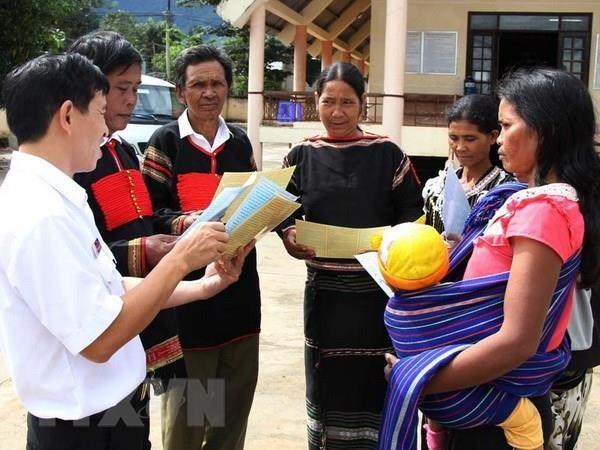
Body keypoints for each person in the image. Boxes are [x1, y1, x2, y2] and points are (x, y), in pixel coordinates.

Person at [0, 53, 253, 450]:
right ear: (68, 116)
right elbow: (100, 340)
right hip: (85, 429)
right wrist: (180, 259)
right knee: (195, 414)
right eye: (100, 111)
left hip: (112, 415)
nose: (106, 127)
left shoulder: (61, 197)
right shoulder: (41, 215)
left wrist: (201, 286)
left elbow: (111, 287)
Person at [380, 67, 600, 450]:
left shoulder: (544, 211)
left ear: (545, 130)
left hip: (490, 408)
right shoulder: (530, 200)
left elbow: (517, 341)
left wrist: (422, 379)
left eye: (507, 126)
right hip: (481, 390)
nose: (498, 139)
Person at [279, 61, 423, 449]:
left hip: (379, 293)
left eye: (347, 102)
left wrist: (396, 244)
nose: (337, 112)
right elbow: (279, 208)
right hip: (325, 295)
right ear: (315, 101)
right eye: (328, 101)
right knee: (328, 381)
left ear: (363, 104)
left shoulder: (388, 153)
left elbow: (412, 211)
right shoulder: (300, 155)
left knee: (376, 378)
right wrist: (288, 234)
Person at [68, 30, 190, 447]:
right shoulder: (74, 163)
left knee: (135, 430)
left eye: (136, 88)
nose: (131, 99)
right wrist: (144, 250)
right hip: (103, 326)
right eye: (121, 88)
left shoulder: (121, 151)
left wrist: (176, 229)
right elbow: (83, 255)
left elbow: (142, 220)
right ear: (89, 88)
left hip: (137, 315)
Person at [141, 45, 261, 450]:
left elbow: (255, 200)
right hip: (187, 301)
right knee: (189, 422)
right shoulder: (166, 142)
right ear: (181, 92)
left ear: (228, 88)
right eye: (198, 85)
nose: (209, 92)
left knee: (232, 417)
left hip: (241, 295)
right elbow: (150, 214)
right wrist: (191, 224)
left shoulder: (240, 143)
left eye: (217, 83)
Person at [423, 94, 513, 234]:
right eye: (453, 138)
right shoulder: (436, 188)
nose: (460, 147)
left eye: (470, 139)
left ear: (492, 137)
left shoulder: (507, 191)